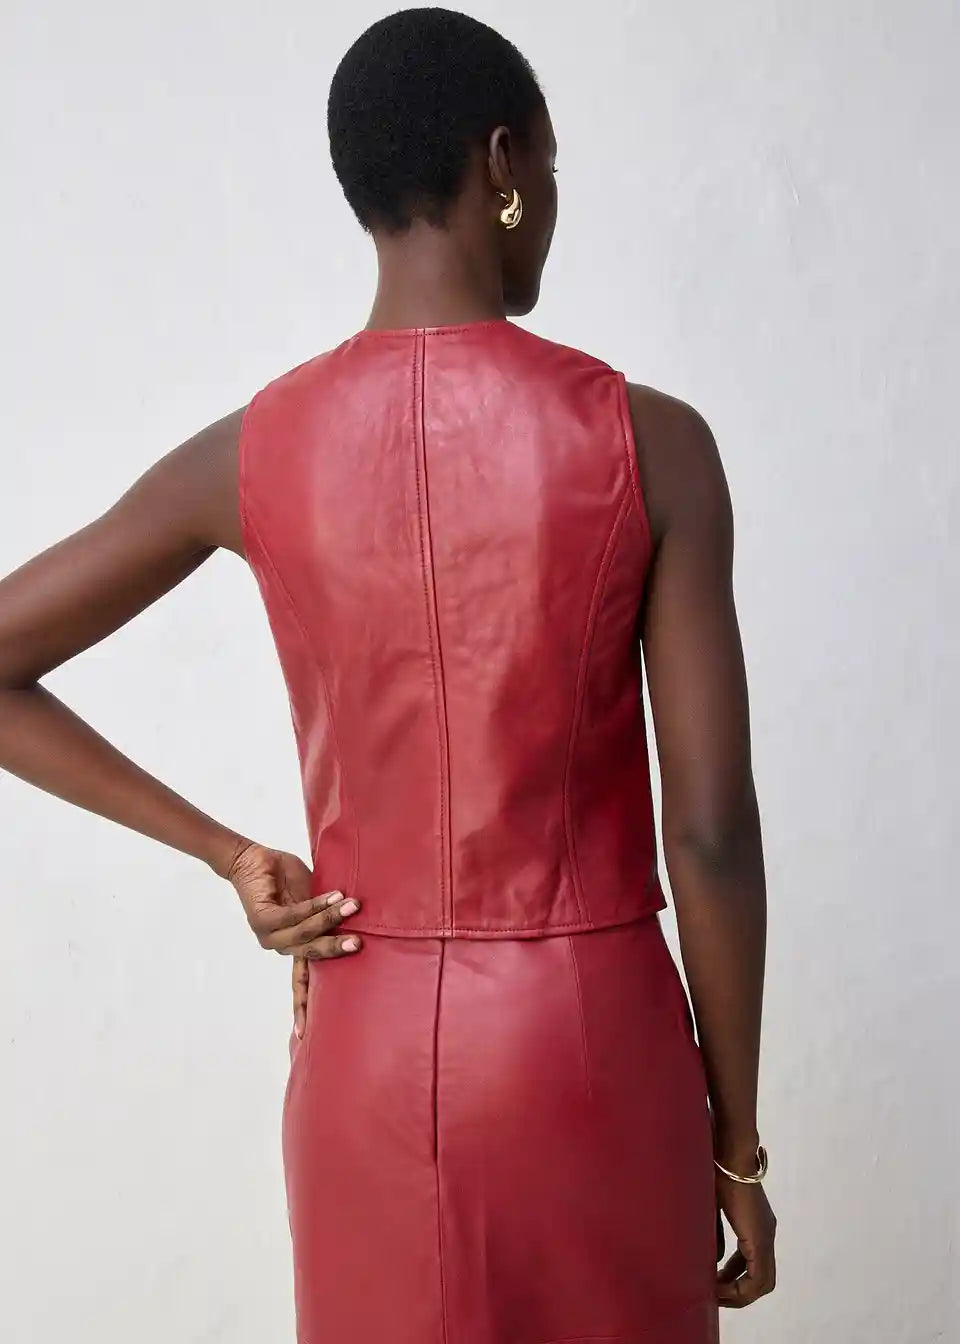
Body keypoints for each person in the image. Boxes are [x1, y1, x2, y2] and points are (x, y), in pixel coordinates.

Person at [0, 7, 777, 1341]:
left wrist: (231, 855)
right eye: (548, 164)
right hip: (592, 1046)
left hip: (365, 1042)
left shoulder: (249, 451)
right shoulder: (653, 444)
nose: (550, 204)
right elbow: (709, 833)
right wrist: (737, 1146)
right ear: (502, 163)